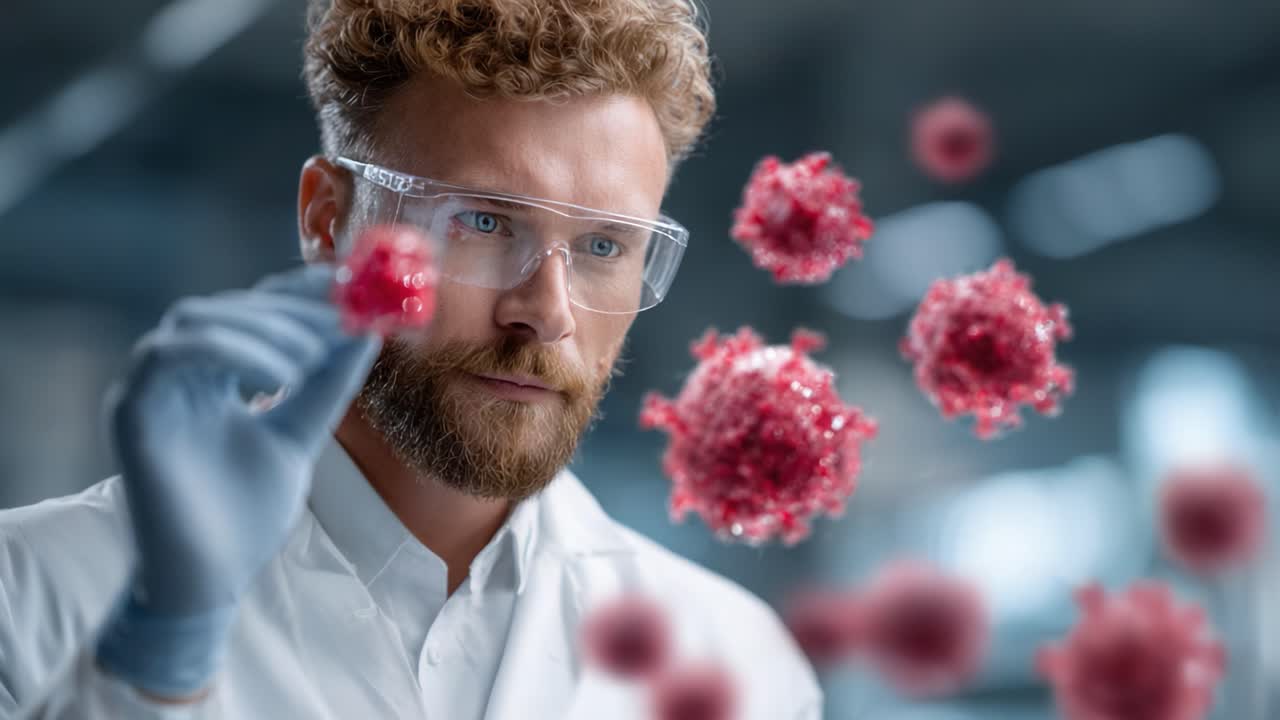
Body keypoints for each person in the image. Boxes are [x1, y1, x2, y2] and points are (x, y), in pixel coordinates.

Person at [0, 1, 822, 718]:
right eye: (486, 224)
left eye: (604, 244)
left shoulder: (738, 667)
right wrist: (156, 652)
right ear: (329, 219)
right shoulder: (29, 592)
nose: (545, 312)